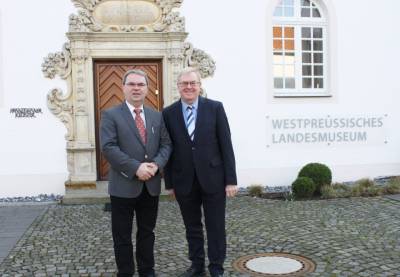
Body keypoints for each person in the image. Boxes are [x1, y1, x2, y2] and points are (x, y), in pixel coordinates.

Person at [162, 67, 238, 277]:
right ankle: (197, 266)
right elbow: (166, 148)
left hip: (214, 178)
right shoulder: (168, 113)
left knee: (215, 227)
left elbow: (226, 145)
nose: (188, 87)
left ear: (199, 86)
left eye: (192, 83)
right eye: (184, 83)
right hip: (183, 180)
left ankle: (216, 268)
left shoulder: (215, 108)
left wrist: (231, 180)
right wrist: (169, 183)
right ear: (178, 87)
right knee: (192, 227)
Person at [100, 69, 172, 277]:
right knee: (122, 235)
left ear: (147, 88)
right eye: (132, 84)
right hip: (123, 186)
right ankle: (126, 272)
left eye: (141, 84)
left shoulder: (156, 116)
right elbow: (109, 147)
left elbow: (166, 145)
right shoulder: (111, 115)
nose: (136, 88)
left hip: (150, 186)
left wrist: (156, 165)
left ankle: (147, 270)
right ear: (123, 88)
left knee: (147, 233)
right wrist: (136, 168)